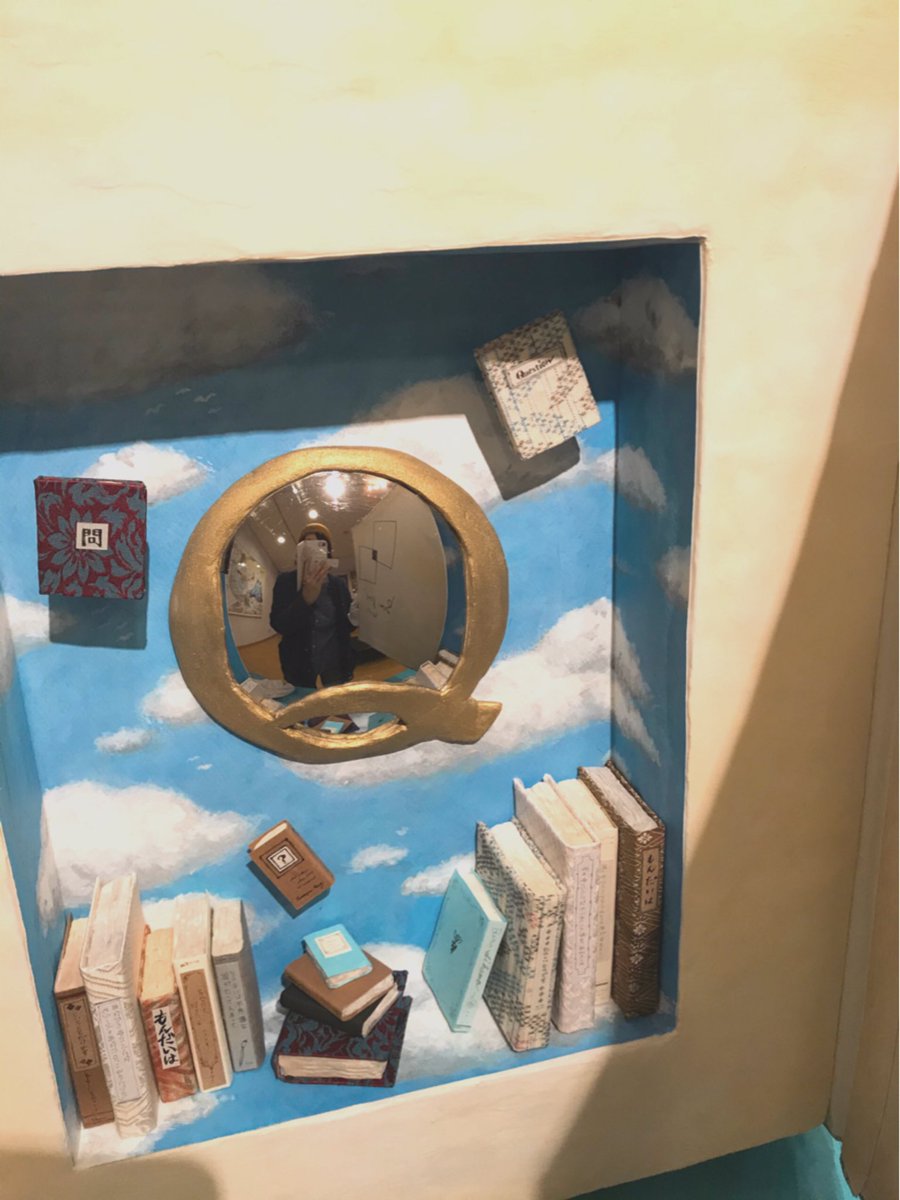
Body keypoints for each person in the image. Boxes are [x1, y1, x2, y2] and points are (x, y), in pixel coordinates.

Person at [269, 523, 355, 689]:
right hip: (298, 661)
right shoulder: (286, 582)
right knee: (303, 701)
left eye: (320, 545)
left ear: (327, 552)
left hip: (334, 659)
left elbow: (346, 628)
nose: (314, 551)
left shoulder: (338, 585)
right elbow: (278, 625)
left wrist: (356, 617)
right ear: (299, 551)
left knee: (337, 699)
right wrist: (305, 600)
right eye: (307, 545)